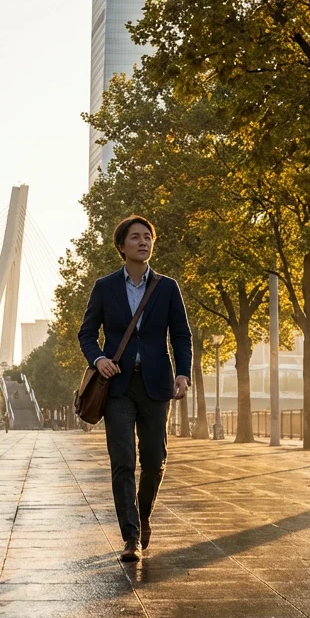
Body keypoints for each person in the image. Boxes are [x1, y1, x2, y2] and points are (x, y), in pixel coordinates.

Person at [78, 215, 192, 563]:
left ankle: (142, 517)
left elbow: (182, 335)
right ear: (121, 246)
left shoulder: (167, 287)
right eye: (135, 237)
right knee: (123, 461)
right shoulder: (105, 287)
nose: (143, 242)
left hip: (157, 385)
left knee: (155, 460)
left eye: (148, 237)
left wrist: (184, 374)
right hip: (118, 387)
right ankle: (131, 537)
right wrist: (99, 359)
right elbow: (86, 333)